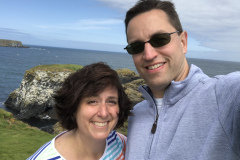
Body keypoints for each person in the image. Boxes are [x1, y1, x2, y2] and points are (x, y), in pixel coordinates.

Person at [124, 0, 240, 159]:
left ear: (183, 42)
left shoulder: (224, 97)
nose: (149, 54)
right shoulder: (136, 114)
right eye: (136, 47)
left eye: (160, 39)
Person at [27, 62, 132, 160]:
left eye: (111, 101)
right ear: (74, 107)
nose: (104, 113)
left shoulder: (122, 144)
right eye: (92, 101)